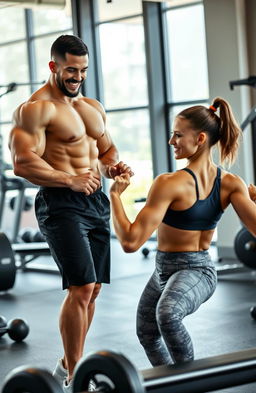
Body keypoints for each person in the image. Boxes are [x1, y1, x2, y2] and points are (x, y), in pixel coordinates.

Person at [9, 34, 133, 392]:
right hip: (60, 202)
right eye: (71, 70)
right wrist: (69, 179)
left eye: (83, 70)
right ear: (53, 66)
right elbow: (22, 163)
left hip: (94, 202)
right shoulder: (34, 110)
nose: (77, 77)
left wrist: (114, 168)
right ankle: (78, 374)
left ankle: (68, 361)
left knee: (92, 291)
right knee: (80, 287)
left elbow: (106, 150)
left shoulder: (92, 107)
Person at [109, 97, 256, 367]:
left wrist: (115, 197)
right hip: (162, 269)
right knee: (147, 331)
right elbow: (132, 242)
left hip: (198, 270)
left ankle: (190, 383)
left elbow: (130, 242)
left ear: (200, 139)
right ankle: (170, 384)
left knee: (167, 315)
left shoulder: (221, 184)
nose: (171, 141)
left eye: (177, 135)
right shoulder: (213, 183)